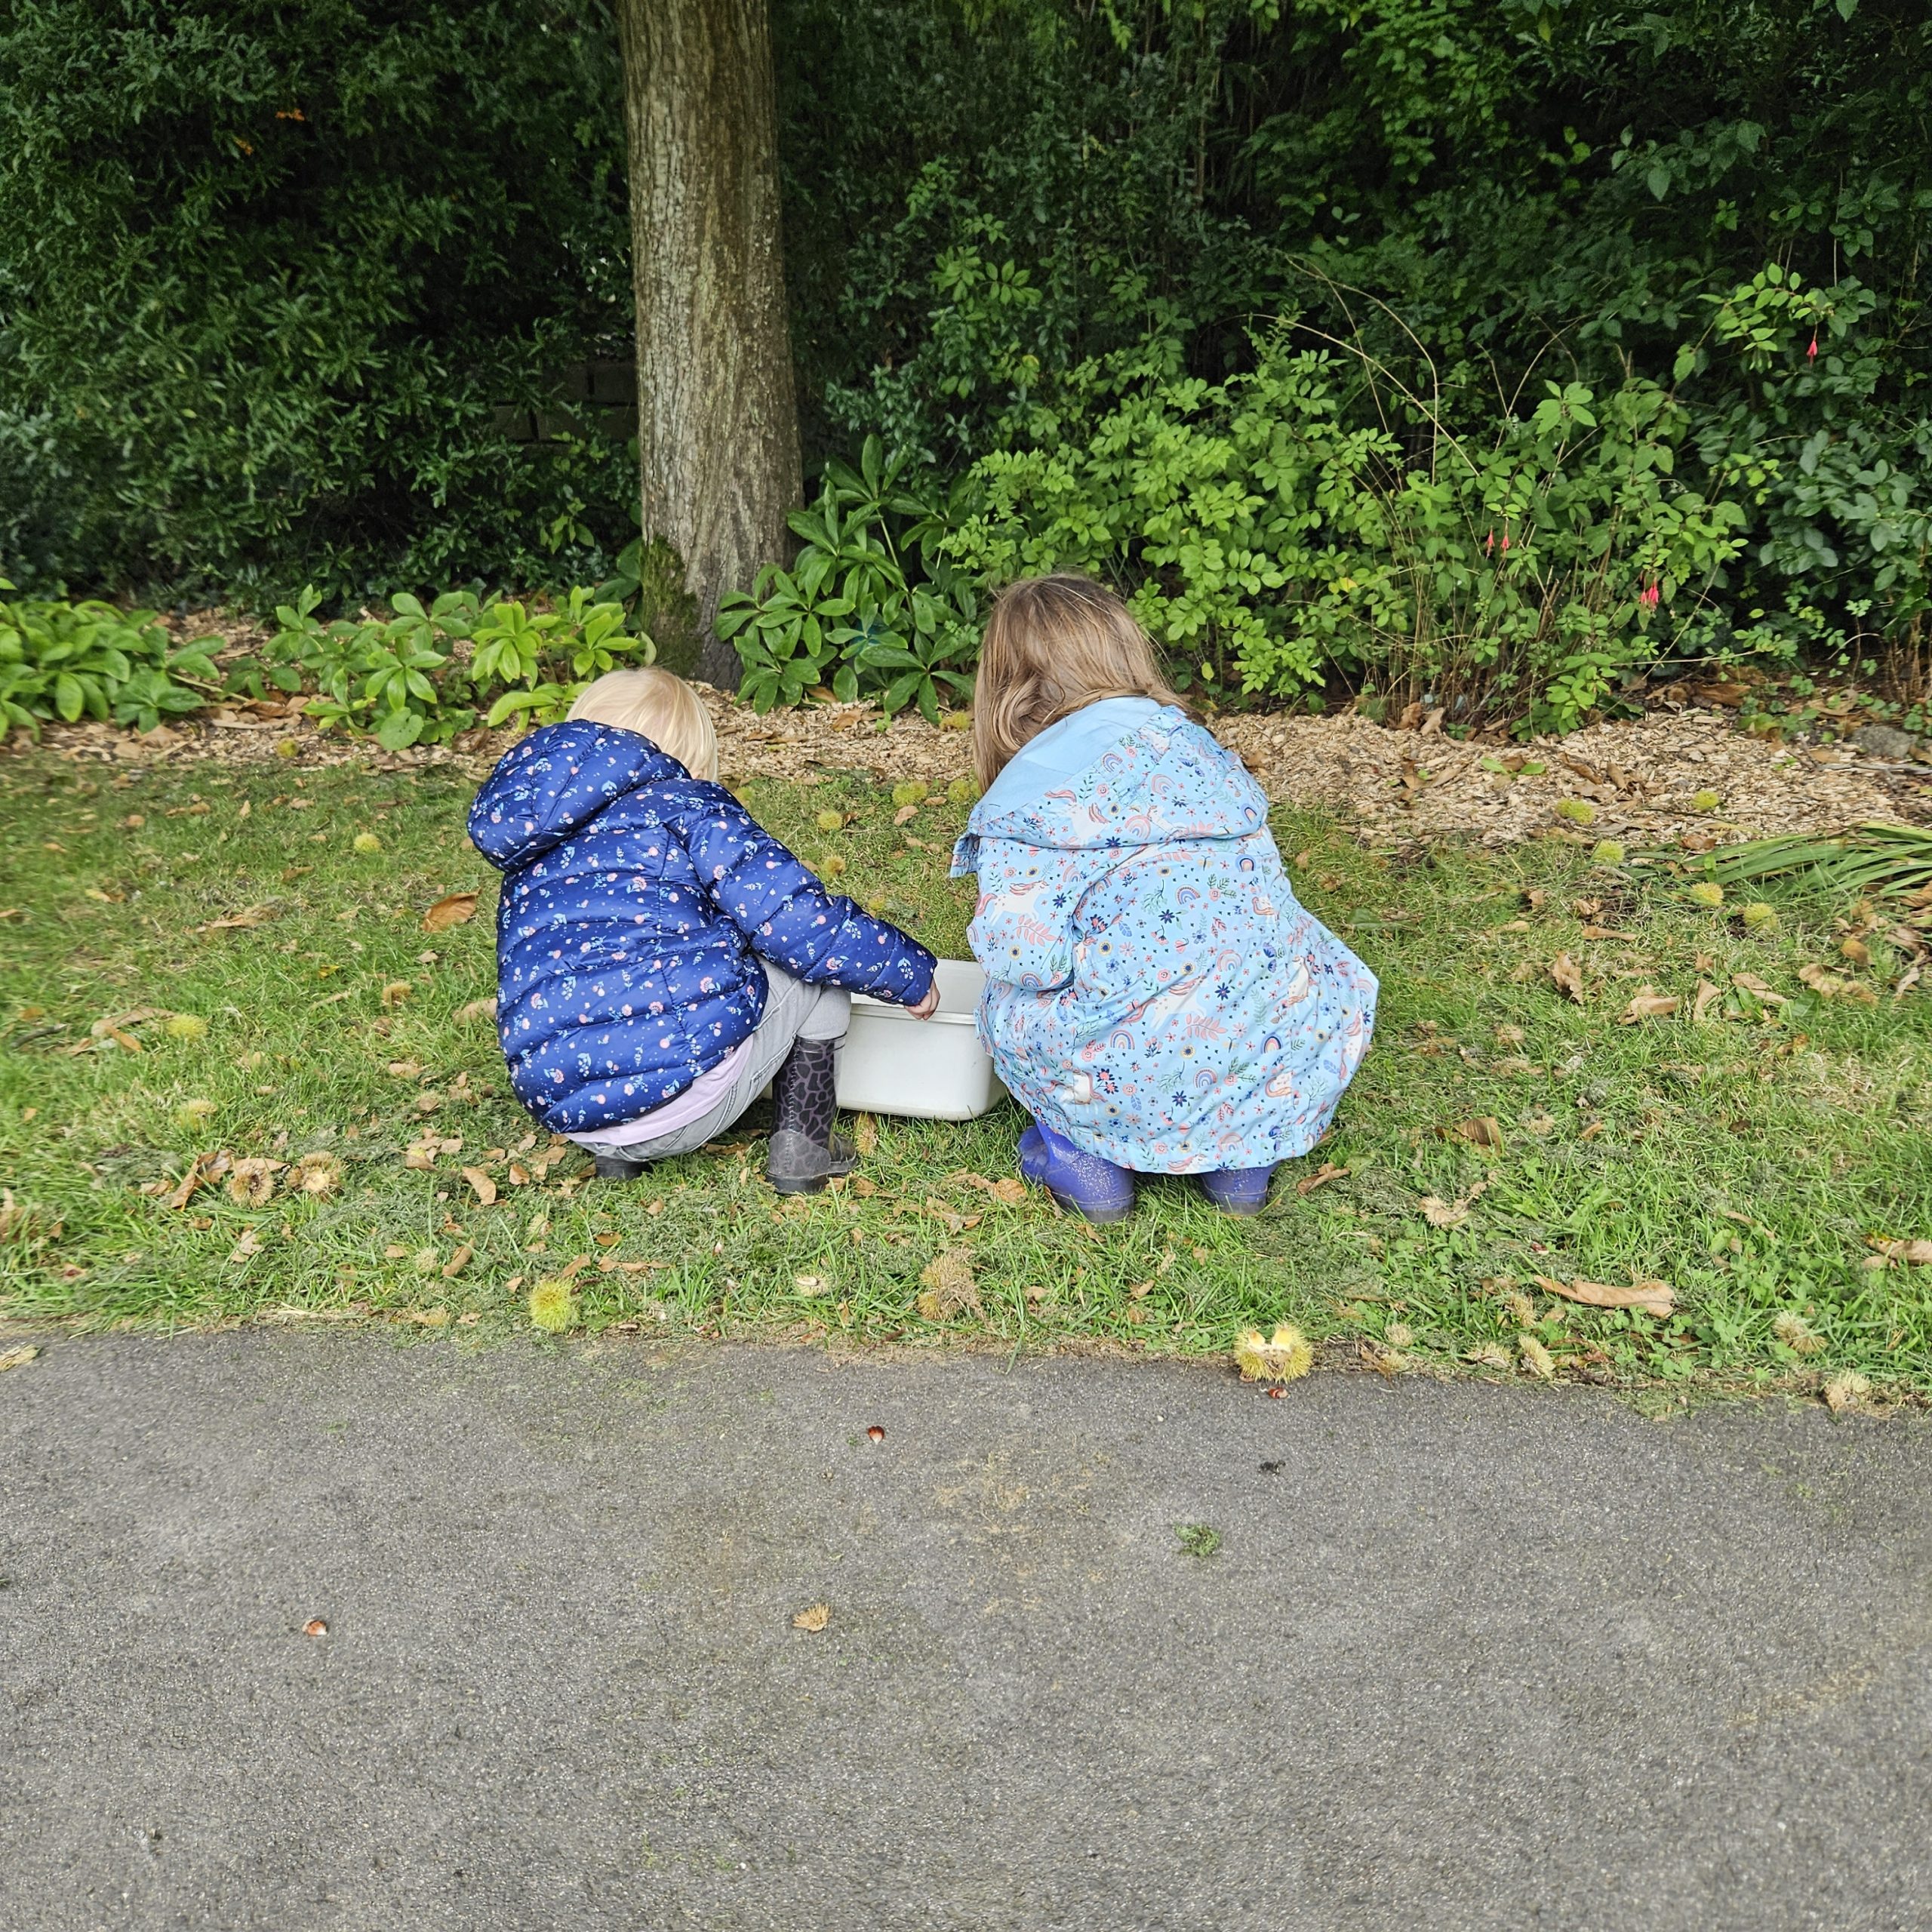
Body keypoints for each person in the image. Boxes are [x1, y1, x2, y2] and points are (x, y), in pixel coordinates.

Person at [949, 574, 1377, 1222]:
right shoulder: (1203, 753)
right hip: (1269, 1044)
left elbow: (1023, 957)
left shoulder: (1031, 796)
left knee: (1010, 1002)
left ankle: (1087, 1167)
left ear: (1006, 692)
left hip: (1130, 1061)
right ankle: (1241, 1167)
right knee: (1261, 966)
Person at [468, 666, 939, 1194]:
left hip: (569, 1113)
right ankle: (803, 1150)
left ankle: (618, 1158)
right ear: (688, 761)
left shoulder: (537, 849)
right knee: (815, 967)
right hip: (681, 1108)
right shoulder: (685, 807)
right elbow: (801, 922)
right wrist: (908, 974)